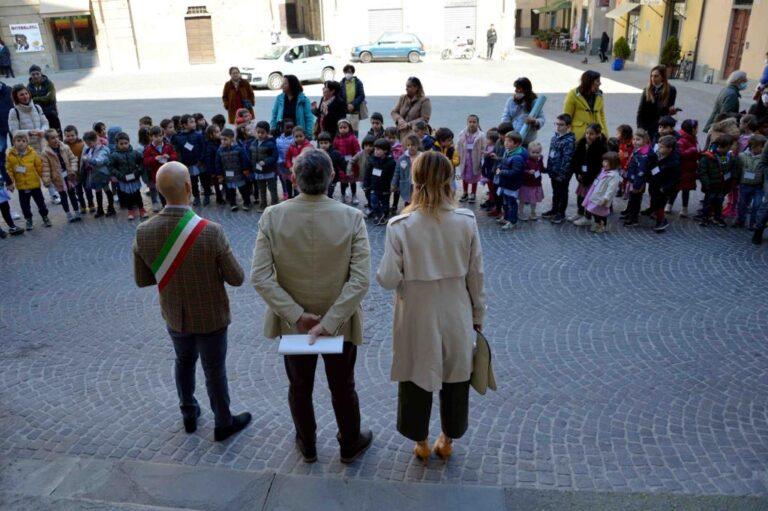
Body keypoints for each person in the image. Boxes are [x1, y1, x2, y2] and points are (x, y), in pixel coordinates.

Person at [250, 148, 373, 465]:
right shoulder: (351, 217)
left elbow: (261, 277)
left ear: (293, 178)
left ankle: (307, 443)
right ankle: (349, 442)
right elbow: (360, 280)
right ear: (332, 177)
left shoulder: (273, 216)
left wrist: (296, 315)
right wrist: (329, 322)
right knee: (343, 387)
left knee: (300, 387)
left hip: (296, 325)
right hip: (340, 322)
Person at [376, 150, 485, 462]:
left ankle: (420, 440)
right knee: (456, 374)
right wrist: (479, 314)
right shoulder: (466, 221)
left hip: (415, 310)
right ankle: (447, 439)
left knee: (416, 374)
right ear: (450, 180)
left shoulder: (400, 226)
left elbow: (386, 278)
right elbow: (476, 274)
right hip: (456, 307)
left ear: (415, 180)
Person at [133, 161, 251, 441]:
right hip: (211, 316)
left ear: (160, 191)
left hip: (175, 314)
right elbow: (236, 278)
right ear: (189, 187)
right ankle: (223, 421)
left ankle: (188, 412)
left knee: (183, 361)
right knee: (214, 369)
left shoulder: (143, 231)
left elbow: (143, 280)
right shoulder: (211, 231)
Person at [6, 132, 50, 229]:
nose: (21, 143)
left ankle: (45, 217)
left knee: (41, 203)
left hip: (35, 184)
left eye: (23, 141)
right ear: (13, 142)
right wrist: (10, 182)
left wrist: (45, 179)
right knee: (25, 206)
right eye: (18, 141)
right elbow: (9, 170)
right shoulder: (10, 155)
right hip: (22, 186)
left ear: (27, 143)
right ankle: (29, 220)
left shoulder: (33, 153)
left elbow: (39, 167)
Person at [570, 123, 608, 227]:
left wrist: (588, 176)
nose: (588, 136)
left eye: (591, 134)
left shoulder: (600, 148)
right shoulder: (582, 143)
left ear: (598, 135)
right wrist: (578, 172)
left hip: (592, 178)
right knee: (580, 196)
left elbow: (598, 166)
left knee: (589, 198)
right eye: (587, 133)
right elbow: (576, 159)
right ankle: (580, 212)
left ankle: (587, 217)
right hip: (582, 176)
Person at [41, 129, 81, 223]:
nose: (56, 139)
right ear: (48, 140)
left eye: (57, 137)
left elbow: (73, 159)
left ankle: (77, 211)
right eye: (52, 138)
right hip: (58, 178)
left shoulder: (65, 147)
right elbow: (45, 168)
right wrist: (46, 180)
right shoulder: (45, 153)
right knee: (63, 196)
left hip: (69, 176)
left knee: (72, 194)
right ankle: (68, 214)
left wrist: (73, 169)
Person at [542, 114, 576, 224]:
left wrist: (562, 173)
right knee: (555, 191)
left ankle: (561, 213)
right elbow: (551, 154)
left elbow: (567, 159)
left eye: (561, 125)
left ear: (568, 126)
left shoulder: (569, 141)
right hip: (554, 171)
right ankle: (554, 209)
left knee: (562, 192)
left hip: (563, 173)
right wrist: (549, 168)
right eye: (556, 124)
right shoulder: (554, 137)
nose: (558, 127)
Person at [696, 135, 735, 227]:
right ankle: (705, 217)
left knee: (719, 203)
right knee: (708, 203)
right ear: (722, 146)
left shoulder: (727, 156)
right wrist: (707, 184)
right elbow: (702, 172)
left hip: (722, 186)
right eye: (729, 147)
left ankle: (717, 217)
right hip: (711, 185)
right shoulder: (707, 157)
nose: (730, 149)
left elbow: (727, 169)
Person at [110, 132, 147, 221]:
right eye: (121, 144)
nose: (124, 145)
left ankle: (142, 209)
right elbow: (111, 167)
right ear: (117, 144)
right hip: (124, 179)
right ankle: (130, 211)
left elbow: (142, 162)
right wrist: (120, 176)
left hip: (134, 178)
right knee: (128, 196)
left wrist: (138, 172)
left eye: (126, 143)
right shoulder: (115, 155)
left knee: (137, 195)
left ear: (129, 143)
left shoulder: (134, 153)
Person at [622, 128, 655, 227]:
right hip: (634, 179)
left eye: (638, 140)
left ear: (645, 140)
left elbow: (641, 171)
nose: (635, 142)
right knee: (633, 200)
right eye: (634, 139)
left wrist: (636, 186)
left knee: (635, 200)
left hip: (637, 182)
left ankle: (633, 219)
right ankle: (631, 215)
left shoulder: (643, 155)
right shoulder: (639, 150)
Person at [582, 152, 622, 234]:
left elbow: (611, 189)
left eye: (607, 162)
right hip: (596, 195)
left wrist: (606, 198)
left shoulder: (614, 176)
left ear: (613, 164)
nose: (604, 163)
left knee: (601, 213)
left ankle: (602, 225)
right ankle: (597, 223)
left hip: (602, 198)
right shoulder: (604, 171)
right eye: (604, 161)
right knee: (593, 210)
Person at [636, 66, 678, 141]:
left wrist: (672, 110)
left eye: (656, 76)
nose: (653, 78)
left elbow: (668, 109)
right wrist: (639, 128)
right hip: (646, 125)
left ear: (662, 77)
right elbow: (640, 110)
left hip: (660, 127)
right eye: (651, 76)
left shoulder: (671, 90)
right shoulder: (647, 89)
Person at [563, 70, 607, 140]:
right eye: (597, 81)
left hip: (597, 135)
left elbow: (602, 116)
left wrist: (605, 133)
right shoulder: (573, 94)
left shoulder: (599, 95)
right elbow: (566, 117)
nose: (600, 83)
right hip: (579, 136)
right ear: (590, 82)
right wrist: (566, 137)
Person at [649, 135, 681, 232]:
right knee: (655, 201)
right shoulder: (660, 155)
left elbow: (674, 178)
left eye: (662, 147)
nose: (659, 149)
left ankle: (661, 221)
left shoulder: (673, 162)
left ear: (670, 149)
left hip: (663, 188)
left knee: (660, 204)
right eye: (659, 146)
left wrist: (664, 188)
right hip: (656, 184)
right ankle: (656, 213)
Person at [173, 114, 206, 207]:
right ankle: (197, 197)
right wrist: (182, 162)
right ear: (184, 125)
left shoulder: (198, 135)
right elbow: (178, 151)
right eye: (191, 122)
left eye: (194, 121)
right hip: (188, 164)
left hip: (199, 162)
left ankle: (206, 194)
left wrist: (201, 159)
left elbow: (203, 148)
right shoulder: (179, 137)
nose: (194, 123)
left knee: (204, 179)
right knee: (193, 181)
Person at [497, 131, 527, 230]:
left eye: (509, 141)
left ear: (517, 144)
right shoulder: (508, 152)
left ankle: (512, 221)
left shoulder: (517, 157)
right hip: (506, 183)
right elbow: (504, 163)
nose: (506, 143)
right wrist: (500, 166)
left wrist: (501, 172)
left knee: (511, 204)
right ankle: (506, 218)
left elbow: (515, 172)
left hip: (512, 185)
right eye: (505, 140)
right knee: (505, 202)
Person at [501, 77, 545, 146]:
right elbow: (505, 117)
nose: (516, 91)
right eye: (516, 88)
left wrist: (535, 121)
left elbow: (542, 119)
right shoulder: (511, 101)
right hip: (513, 139)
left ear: (526, 90)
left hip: (527, 140)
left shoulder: (535, 102)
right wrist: (506, 131)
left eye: (519, 88)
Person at [734, 134, 766, 229]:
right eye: (762, 146)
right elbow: (737, 170)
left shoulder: (764, 159)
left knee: (757, 205)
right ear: (753, 146)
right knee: (742, 205)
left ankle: (753, 224)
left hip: (758, 186)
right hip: (745, 185)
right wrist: (736, 181)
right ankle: (740, 221)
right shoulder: (742, 156)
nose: (764, 149)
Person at [215, 128, 251, 212]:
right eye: (221, 139)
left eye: (225, 139)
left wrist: (245, 169)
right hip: (227, 175)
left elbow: (245, 159)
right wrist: (219, 175)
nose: (223, 141)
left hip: (239, 174)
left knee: (243, 189)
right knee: (230, 191)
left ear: (231, 139)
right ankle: (233, 203)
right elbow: (218, 163)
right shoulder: (219, 151)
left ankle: (246, 202)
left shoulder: (239, 149)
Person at [669, 119, 699, 217]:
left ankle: (684, 208)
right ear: (692, 129)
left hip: (689, 170)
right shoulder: (682, 140)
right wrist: (692, 150)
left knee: (685, 190)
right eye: (696, 128)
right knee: (675, 189)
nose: (697, 129)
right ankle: (669, 205)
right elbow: (680, 154)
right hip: (682, 170)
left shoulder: (693, 138)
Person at [144, 126, 178, 211]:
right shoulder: (148, 149)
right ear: (151, 137)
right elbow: (145, 161)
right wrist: (154, 159)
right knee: (161, 191)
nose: (158, 138)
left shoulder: (168, 146)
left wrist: (169, 157)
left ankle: (173, 204)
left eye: (160, 136)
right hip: (157, 174)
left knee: (170, 189)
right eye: (155, 136)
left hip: (169, 173)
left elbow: (175, 156)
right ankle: (165, 206)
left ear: (163, 136)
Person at [247, 121, 279, 211]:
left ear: (267, 133)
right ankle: (263, 204)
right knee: (261, 190)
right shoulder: (253, 143)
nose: (260, 135)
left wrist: (265, 162)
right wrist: (251, 167)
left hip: (269, 171)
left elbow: (274, 156)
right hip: (258, 171)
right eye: (258, 132)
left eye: (262, 133)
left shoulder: (271, 143)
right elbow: (250, 156)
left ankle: (274, 205)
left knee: (272, 189)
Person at [364, 138, 396, 225]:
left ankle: (384, 215)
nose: (376, 151)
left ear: (385, 150)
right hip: (374, 187)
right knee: (373, 202)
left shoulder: (391, 162)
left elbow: (393, 176)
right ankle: (379, 214)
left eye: (378, 149)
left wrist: (392, 185)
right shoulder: (372, 160)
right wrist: (366, 184)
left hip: (385, 188)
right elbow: (367, 173)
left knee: (385, 203)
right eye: (375, 149)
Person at [391, 77, 431, 142]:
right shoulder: (402, 98)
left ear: (416, 88)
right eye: (406, 86)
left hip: (417, 135)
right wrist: (399, 120)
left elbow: (425, 119)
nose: (406, 88)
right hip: (402, 134)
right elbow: (394, 112)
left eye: (409, 86)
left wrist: (408, 124)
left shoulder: (425, 101)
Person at [457, 114, 485, 204]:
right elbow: (458, 146)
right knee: (464, 175)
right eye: (470, 122)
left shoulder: (481, 135)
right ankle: (465, 192)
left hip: (475, 159)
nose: (472, 124)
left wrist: (482, 158)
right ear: (467, 122)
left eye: (474, 122)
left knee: (475, 175)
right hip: (465, 158)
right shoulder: (462, 133)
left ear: (477, 123)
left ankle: (473, 193)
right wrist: (458, 156)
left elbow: (483, 147)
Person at [333, 118, 361, 203]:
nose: (343, 129)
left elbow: (357, 150)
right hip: (341, 164)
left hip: (351, 163)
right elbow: (335, 150)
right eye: (341, 128)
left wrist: (356, 160)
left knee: (352, 181)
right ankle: (343, 195)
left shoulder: (353, 138)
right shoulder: (336, 139)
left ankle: (354, 195)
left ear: (349, 128)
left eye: (345, 127)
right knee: (343, 181)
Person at [28, 65, 61, 135]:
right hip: (37, 114)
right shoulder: (29, 87)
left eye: (37, 74)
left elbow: (50, 97)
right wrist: (44, 97)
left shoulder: (49, 84)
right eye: (33, 74)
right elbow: (29, 100)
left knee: (55, 133)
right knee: (43, 134)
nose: (36, 76)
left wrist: (36, 98)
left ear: (41, 73)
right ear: (30, 75)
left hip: (51, 112)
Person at [392, 133, 420, 208]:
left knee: (418, 201)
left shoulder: (422, 157)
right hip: (407, 184)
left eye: (413, 145)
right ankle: (408, 214)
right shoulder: (402, 158)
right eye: (408, 145)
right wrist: (394, 184)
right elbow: (397, 172)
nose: (410, 147)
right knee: (408, 201)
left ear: (418, 145)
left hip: (419, 184)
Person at [519, 141, 545, 221]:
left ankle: (533, 212)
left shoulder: (539, 159)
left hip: (536, 183)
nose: (535, 154)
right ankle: (520, 212)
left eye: (538, 152)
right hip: (526, 184)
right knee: (522, 199)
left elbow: (542, 168)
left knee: (534, 200)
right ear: (528, 151)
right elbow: (521, 170)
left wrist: (547, 170)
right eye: (533, 152)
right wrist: (528, 172)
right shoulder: (526, 160)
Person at [339, 65, 366, 135]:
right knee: (344, 130)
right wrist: (346, 105)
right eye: (346, 72)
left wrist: (353, 104)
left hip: (354, 110)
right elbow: (339, 97)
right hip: (344, 110)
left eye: (350, 72)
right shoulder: (341, 83)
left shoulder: (358, 82)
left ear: (353, 73)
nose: (348, 73)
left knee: (354, 131)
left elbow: (361, 95)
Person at [275, 120, 295, 200]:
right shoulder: (278, 140)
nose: (290, 129)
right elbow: (277, 152)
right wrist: (279, 160)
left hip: (291, 164)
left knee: (292, 179)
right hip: (281, 164)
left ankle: (294, 193)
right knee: (283, 179)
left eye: (291, 127)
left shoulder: (294, 139)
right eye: (287, 127)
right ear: (282, 128)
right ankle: (285, 192)